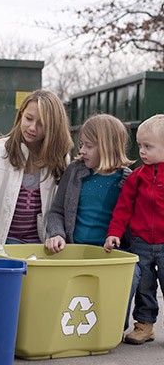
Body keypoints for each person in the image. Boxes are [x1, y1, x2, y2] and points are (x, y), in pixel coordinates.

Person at [45, 113, 138, 330]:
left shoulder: (127, 179)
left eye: (89, 146)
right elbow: (56, 211)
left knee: (135, 274)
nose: (82, 151)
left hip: (108, 256)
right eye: (82, 145)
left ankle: (113, 326)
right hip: (73, 251)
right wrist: (56, 233)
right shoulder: (75, 171)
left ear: (107, 146)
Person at [0, 90, 73, 245]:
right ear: (20, 115)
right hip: (2, 244)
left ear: (53, 127)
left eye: (41, 124)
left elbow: (62, 207)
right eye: (29, 119)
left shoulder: (59, 158)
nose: (32, 128)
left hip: (41, 246)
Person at [104, 114, 164, 345]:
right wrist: (114, 233)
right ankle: (144, 324)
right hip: (140, 242)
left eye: (148, 146)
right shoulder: (136, 178)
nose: (142, 151)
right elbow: (122, 210)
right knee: (144, 285)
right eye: (140, 145)